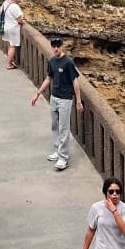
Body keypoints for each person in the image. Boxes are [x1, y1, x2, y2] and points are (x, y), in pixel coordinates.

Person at [30, 35, 82, 170]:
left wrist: (78, 101)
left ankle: (63, 158)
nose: (56, 48)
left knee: (64, 128)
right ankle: (57, 150)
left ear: (61, 46)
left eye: (58, 46)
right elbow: (48, 78)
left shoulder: (68, 62)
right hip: (54, 97)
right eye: (53, 46)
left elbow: (75, 81)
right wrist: (37, 93)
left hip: (65, 99)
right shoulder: (52, 61)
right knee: (55, 125)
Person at [1, 0, 24, 69]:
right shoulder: (14, 6)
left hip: (6, 27)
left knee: (10, 44)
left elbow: (1, 13)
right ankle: (9, 64)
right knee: (13, 46)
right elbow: (19, 20)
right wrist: (23, 21)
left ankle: (10, 60)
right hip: (13, 29)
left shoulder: (5, 3)